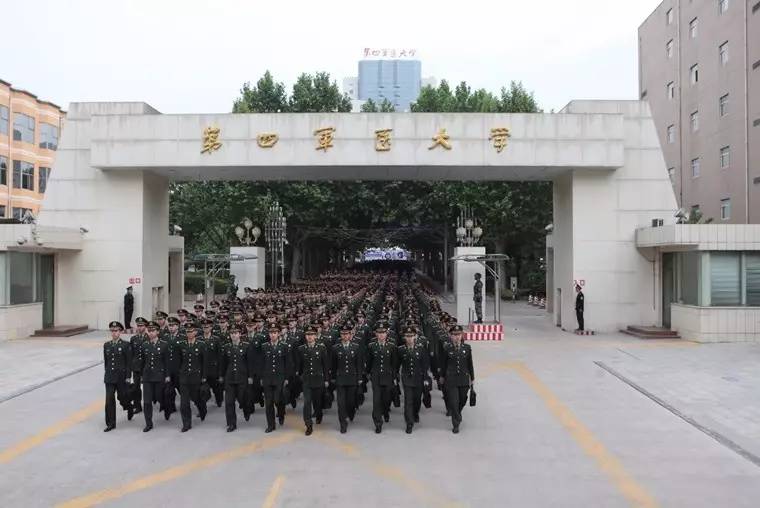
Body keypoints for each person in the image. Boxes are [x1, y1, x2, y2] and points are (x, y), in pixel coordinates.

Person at [439, 325, 474, 434]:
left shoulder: (467, 348)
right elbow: (443, 364)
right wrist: (442, 376)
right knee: (454, 402)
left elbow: (470, 364)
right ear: (451, 336)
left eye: (459, 334)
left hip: (463, 379)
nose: (457, 337)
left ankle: (457, 413)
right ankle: (456, 423)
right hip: (451, 379)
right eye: (454, 335)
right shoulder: (446, 348)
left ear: (461, 335)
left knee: (462, 400)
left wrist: (472, 378)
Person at [297, 326, 330, 436]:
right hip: (307, 380)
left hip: (318, 379)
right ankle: (308, 424)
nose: (309, 337)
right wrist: (300, 376)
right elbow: (300, 365)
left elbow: (325, 365)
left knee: (317, 402)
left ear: (315, 336)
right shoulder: (301, 349)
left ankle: (319, 413)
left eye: (311, 335)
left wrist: (326, 379)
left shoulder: (321, 348)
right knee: (307, 403)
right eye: (307, 335)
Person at [139, 321, 171, 432]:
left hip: (159, 376)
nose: (151, 333)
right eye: (149, 331)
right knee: (147, 401)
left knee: (160, 397)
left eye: (153, 331)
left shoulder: (164, 344)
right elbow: (142, 362)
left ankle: (167, 408)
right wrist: (141, 376)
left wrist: (167, 375)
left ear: (158, 332)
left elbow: (167, 362)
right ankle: (148, 423)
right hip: (147, 376)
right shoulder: (144, 345)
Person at [366, 322, 398, 434]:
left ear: (386, 333)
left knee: (386, 399)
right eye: (379, 333)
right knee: (376, 400)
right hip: (376, 377)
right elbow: (369, 362)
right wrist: (368, 373)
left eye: (383, 333)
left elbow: (395, 364)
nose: (381, 335)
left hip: (387, 376)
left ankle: (386, 412)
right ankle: (378, 423)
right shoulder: (371, 346)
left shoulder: (392, 346)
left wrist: (394, 377)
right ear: (376, 334)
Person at [219, 327, 252, 432]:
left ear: (240, 334)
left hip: (242, 377)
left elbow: (250, 363)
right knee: (229, 402)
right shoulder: (226, 347)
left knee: (243, 399)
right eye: (231, 333)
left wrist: (250, 376)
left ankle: (247, 410)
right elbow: (223, 363)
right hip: (230, 379)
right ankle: (231, 424)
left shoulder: (246, 346)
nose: (233, 335)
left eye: (235, 333)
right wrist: (221, 376)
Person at [397, 326, 429, 434]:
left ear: (415, 336)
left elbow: (425, 365)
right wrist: (395, 376)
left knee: (417, 400)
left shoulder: (421, 348)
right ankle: (409, 423)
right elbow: (397, 364)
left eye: (411, 336)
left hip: (418, 378)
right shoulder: (401, 350)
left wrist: (425, 378)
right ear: (404, 337)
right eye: (407, 336)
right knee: (408, 401)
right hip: (407, 378)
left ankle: (415, 413)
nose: (409, 338)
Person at [260, 326, 291, 433]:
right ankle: (271, 425)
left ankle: (281, 413)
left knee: (278, 400)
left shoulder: (284, 346)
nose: (273, 335)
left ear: (278, 334)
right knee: (268, 403)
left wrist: (287, 378)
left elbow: (288, 363)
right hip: (268, 378)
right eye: (271, 333)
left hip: (279, 378)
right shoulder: (264, 346)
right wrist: (261, 378)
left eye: (275, 332)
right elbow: (261, 363)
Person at [332, 323, 362, 434]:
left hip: (352, 379)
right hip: (340, 379)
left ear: (350, 335)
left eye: (347, 334)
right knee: (341, 403)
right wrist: (332, 378)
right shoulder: (336, 348)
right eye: (343, 334)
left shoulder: (356, 347)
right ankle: (343, 423)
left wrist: (359, 378)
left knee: (350, 401)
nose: (345, 336)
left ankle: (351, 412)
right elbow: (333, 365)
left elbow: (359, 364)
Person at [178, 322, 207, 432]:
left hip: (196, 377)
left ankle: (202, 408)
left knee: (197, 398)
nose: (189, 333)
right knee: (184, 403)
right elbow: (179, 360)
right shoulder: (182, 344)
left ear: (195, 332)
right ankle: (186, 423)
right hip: (184, 377)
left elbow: (204, 362)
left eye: (191, 331)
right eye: (187, 331)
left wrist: (204, 376)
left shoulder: (201, 344)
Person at [103, 321, 132, 432]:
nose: (114, 333)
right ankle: (111, 423)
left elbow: (129, 363)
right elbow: (106, 362)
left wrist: (128, 376)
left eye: (116, 331)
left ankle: (129, 406)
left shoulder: (125, 345)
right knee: (109, 400)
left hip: (121, 376)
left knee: (122, 397)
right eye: (112, 331)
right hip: (110, 377)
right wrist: (107, 373)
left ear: (120, 332)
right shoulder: (107, 345)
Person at [128, 317, 148, 415]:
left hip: (146, 366)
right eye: (138, 326)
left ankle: (149, 403)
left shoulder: (149, 337)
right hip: (136, 367)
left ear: (145, 326)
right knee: (136, 387)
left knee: (147, 387)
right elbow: (131, 353)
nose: (140, 328)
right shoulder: (134, 338)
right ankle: (137, 405)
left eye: (142, 326)